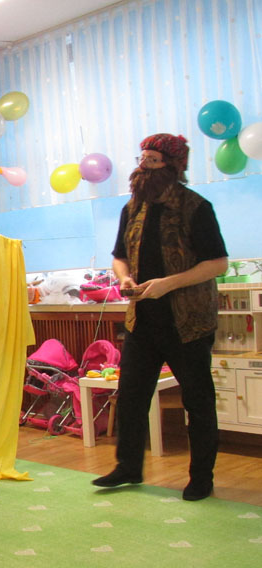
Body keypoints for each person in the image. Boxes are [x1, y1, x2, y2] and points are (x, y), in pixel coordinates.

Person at [91, 134, 228, 502]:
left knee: (198, 402)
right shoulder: (132, 208)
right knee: (131, 396)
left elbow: (218, 263)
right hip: (142, 321)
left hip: (188, 323)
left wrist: (168, 284)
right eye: (143, 159)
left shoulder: (196, 207)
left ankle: (201, 478)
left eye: (152, 160)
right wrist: (124, 278)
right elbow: (119, 256)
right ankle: (128, 467)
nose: (144, 166)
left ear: (173, 166)